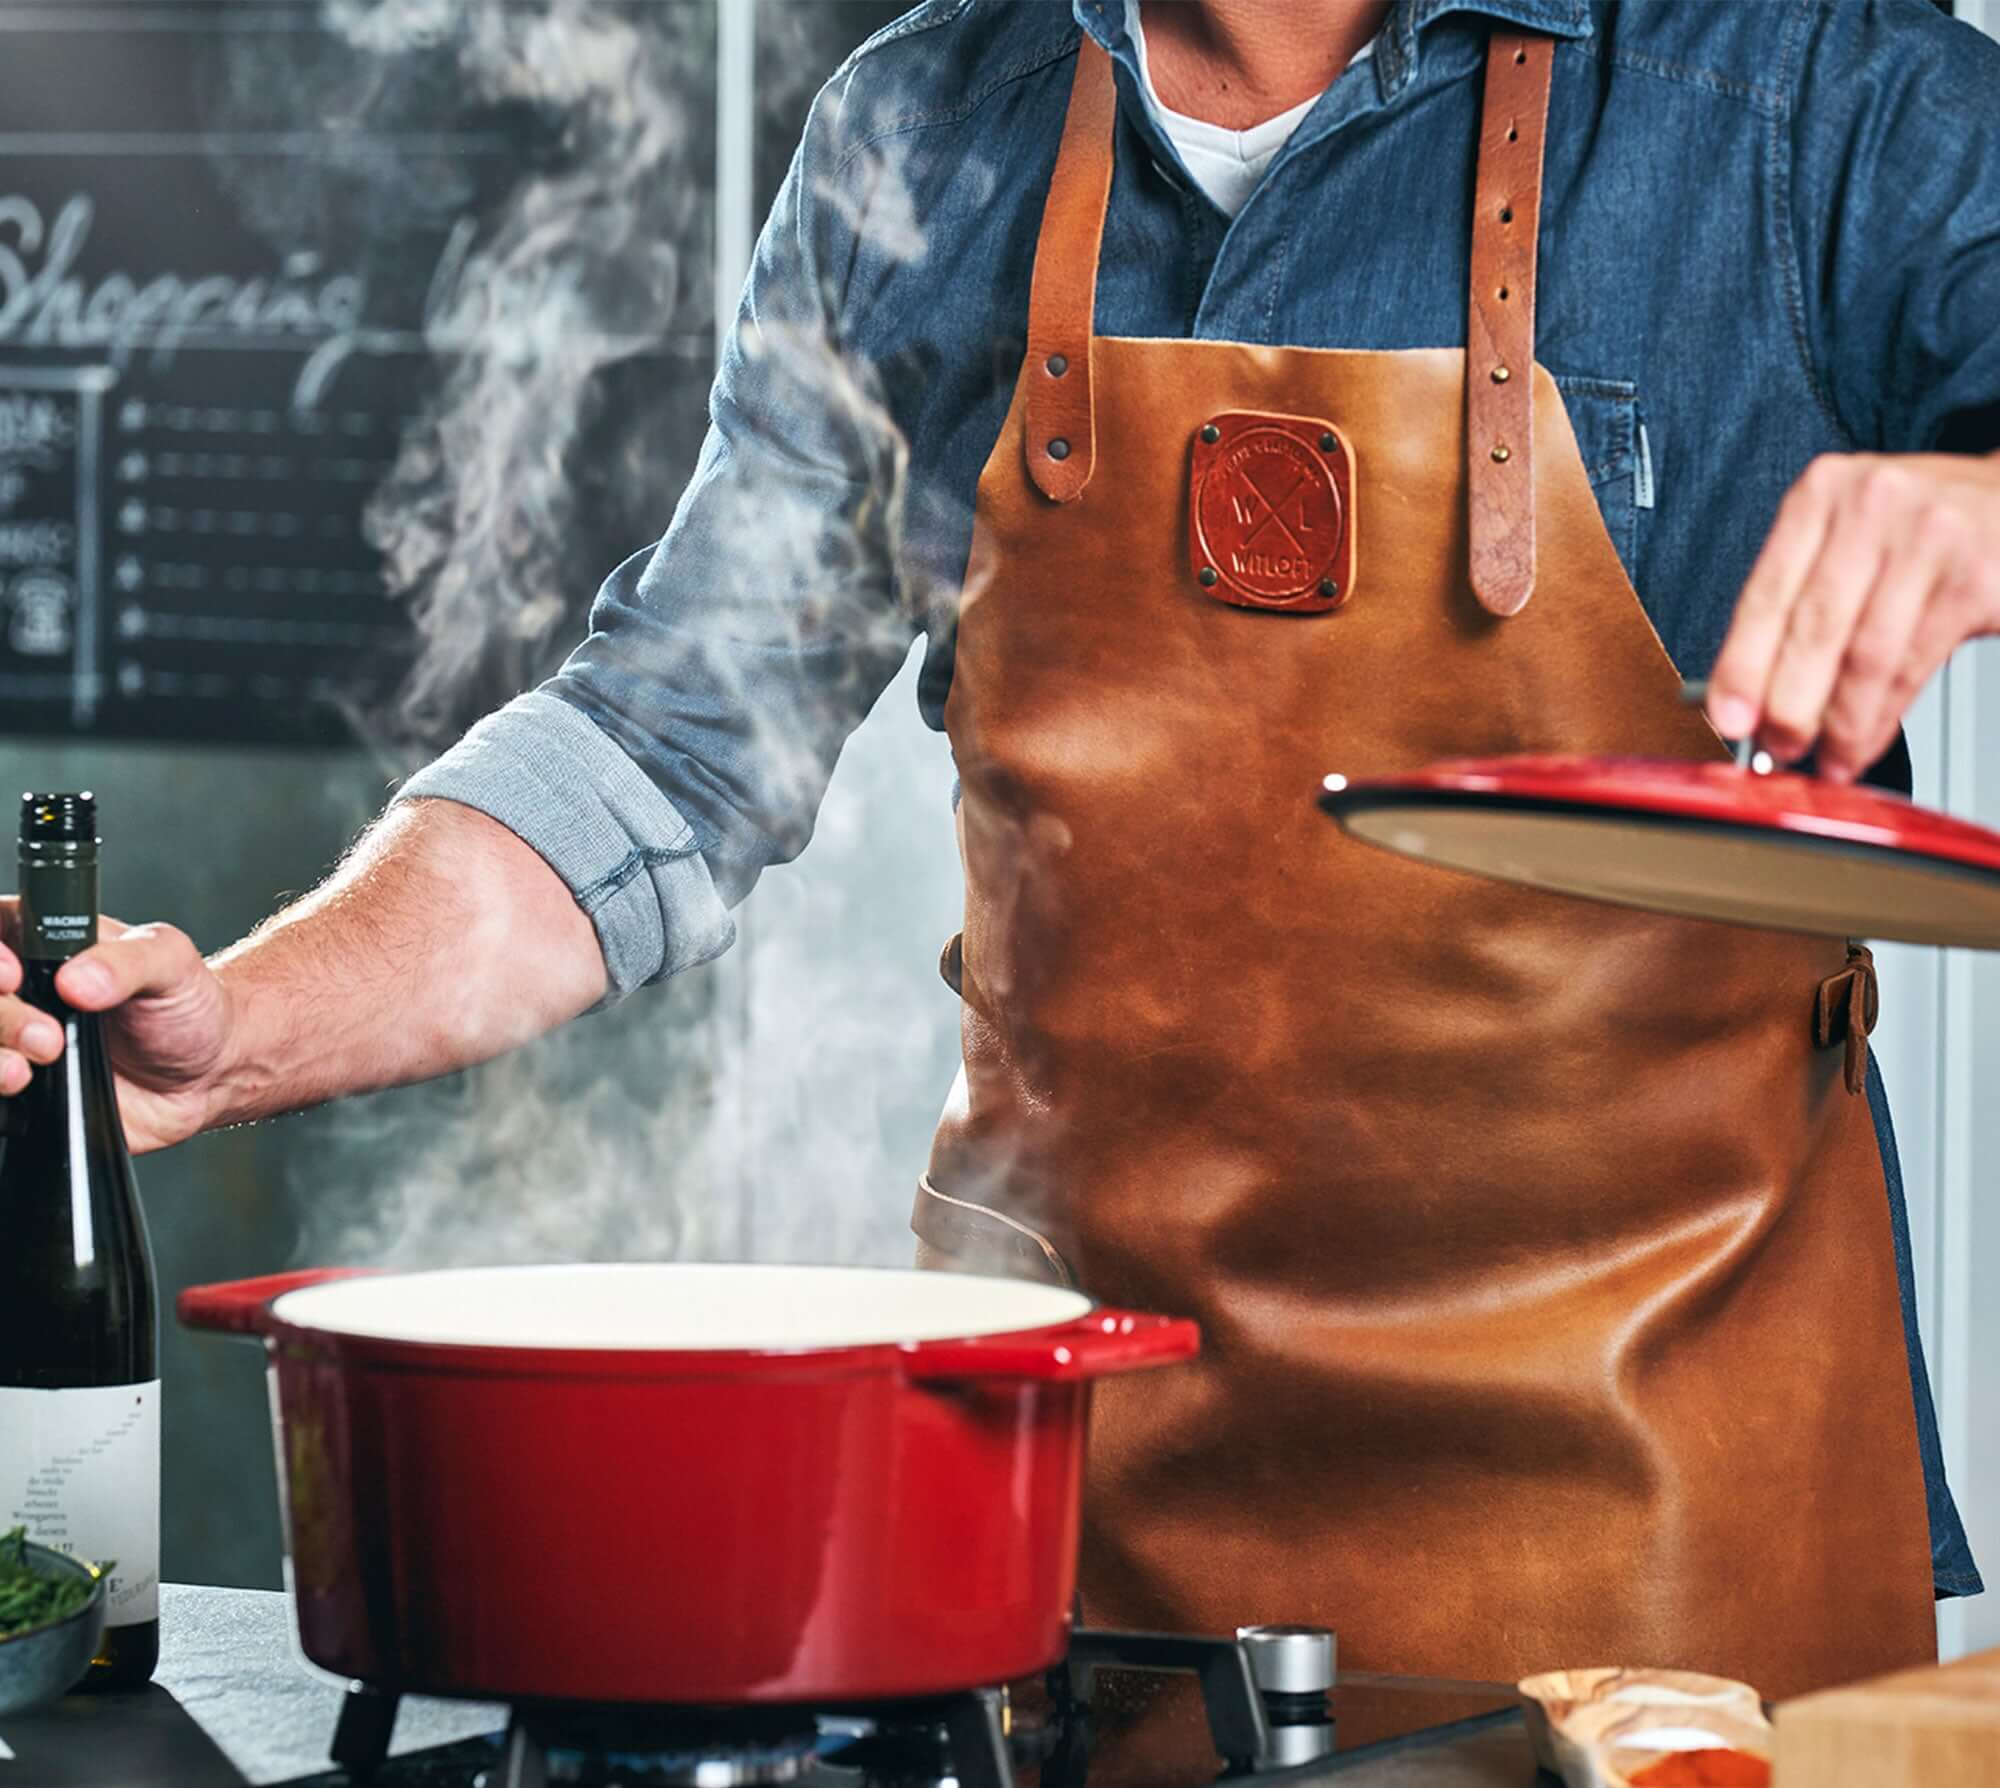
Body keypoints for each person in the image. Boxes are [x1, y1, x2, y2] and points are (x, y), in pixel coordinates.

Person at [5, 0, 1998, 1696]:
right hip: (1055, 1535)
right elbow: (661, 759)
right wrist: (231, 1030)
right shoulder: (918, 129)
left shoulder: (1810, 95)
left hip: (1663, 1547)